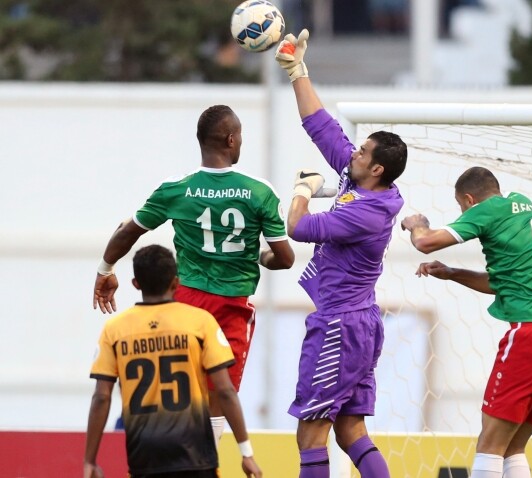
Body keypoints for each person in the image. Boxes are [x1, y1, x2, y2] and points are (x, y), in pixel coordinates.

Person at [92, 104, 295, 442]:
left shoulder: (176, 189)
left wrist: (105, 269)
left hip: (185, 302)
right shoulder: (260, 192)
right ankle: (206, 461)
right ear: (231, 139)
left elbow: (128, 231)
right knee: (219, 395)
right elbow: (285, 259)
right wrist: (258, 255)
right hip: (232, 306)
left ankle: (155, 450)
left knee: (176, 388)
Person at [274, 29, 408, 478]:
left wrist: (302, 189)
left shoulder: (366, 213)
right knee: (350, 430)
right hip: (359, 322)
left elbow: (298, 228)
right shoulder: (363, 179)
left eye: (362, 152)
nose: (354, 153)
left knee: (311, 434)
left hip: (339, 325)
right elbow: (322, 127)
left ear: (377, 168)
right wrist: (297, 71)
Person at [402, 166, 532, 478]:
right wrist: (453, 273)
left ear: (469, 200)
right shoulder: (524, 205)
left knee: (490, 444)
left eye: (461, 206)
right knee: (513, 447)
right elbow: (505, 283)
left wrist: (418, 224)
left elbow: (425, 242)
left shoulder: (486, 209)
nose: (463, 213)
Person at [85, 245, 262, 478]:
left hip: (144, 455)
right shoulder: (200, 323)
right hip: (196, 454)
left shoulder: (115, 330)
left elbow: (101, 396)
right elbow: (225, 390)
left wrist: (90, 460)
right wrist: (246, 452)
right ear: (176, 283)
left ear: (136, 284)